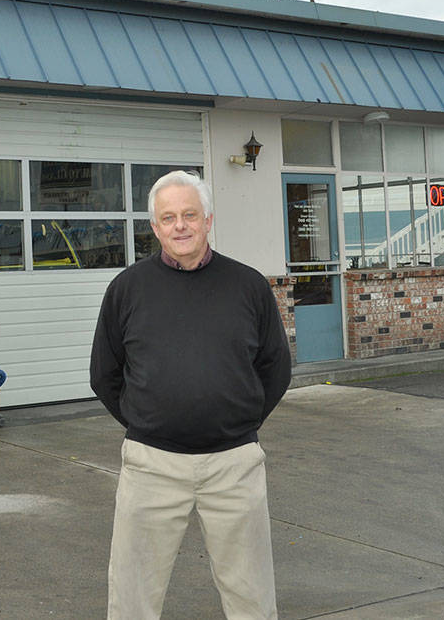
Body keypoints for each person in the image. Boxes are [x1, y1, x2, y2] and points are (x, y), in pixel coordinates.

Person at [90, 170, 292, 620]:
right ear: (155, 227)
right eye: (168, 218)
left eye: (189, 215)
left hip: (234, 464)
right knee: (132, 593)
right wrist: (148, 421)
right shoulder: (127, 289)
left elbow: (275, 368)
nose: (179, 225)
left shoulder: (249, 286)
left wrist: (240, 420)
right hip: (152, 465)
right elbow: (105, 374)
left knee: (252, 594)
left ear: (208, 220)